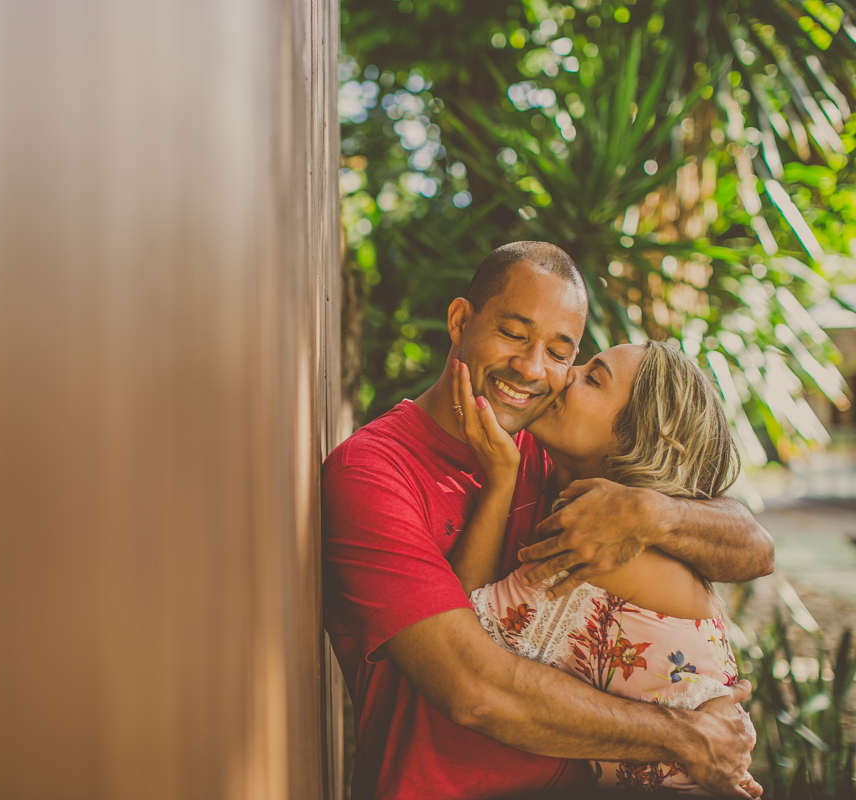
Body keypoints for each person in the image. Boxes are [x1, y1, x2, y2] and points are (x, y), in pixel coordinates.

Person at [322, 242, 774, 800]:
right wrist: (684, 737)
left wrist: (652, 511)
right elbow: (473, 688)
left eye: (563, 354)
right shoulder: (372, 471)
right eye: (513, 334)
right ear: (461, 321)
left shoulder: (561, 461)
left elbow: (758, 547)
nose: (535, 369)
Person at [449, 340, 758, 795]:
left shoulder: (605, 552)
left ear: (632, 440)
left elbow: (461, 636)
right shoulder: (643, 545)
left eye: (593, 378)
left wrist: (499, 482)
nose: (566, 373)